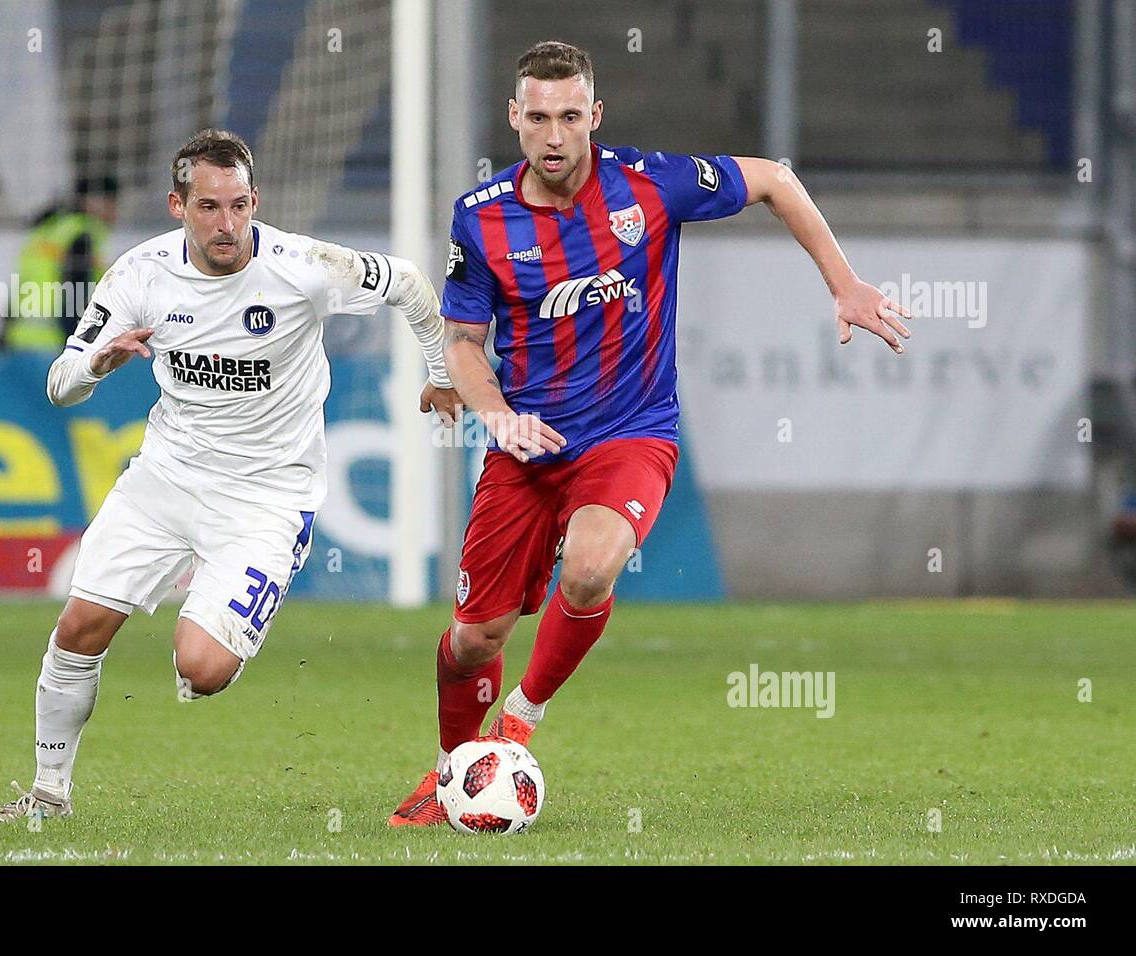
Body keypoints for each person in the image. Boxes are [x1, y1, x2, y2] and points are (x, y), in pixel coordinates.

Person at [389, 41, 912, 826]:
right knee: (473, 638)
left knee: (594, 564)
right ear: (514, 118)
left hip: (631, 433)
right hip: (525, 446)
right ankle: (450, 772)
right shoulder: (481, 215)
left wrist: (844, 285)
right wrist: (496, 414)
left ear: (594, 117)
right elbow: (464, 342)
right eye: (539, 118)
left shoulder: (648, 184)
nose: (555, 135)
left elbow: (775, 178)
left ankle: (518, 724)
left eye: (571, 116)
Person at [0, 128, 461, 822]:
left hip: (268, 495)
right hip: (167, 477)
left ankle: (222, 597)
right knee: (79, 628)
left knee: (200, 671)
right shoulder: (139, 276)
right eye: (208, 207)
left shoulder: (304, 265)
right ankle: (49, 794)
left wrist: (441, 376)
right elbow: (59, 383)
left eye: (239, 206)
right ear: (178, 205)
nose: (227, 224)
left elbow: (410, 283)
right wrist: (96, 364)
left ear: (255, 200)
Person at [1, 174, 120, 350]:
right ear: (93, 202)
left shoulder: (46, 230)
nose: (115, 212)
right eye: (112, 203)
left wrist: (2, 337)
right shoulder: (81, 234)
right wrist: (76, 344)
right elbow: (74, 290)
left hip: (19, 338)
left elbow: (18, 287)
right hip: (54, 342)